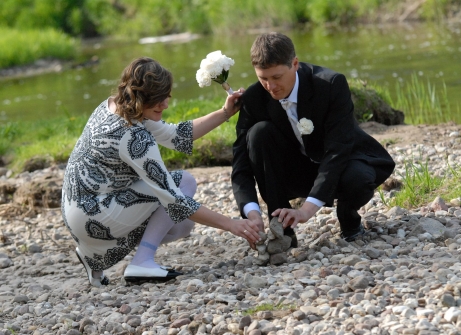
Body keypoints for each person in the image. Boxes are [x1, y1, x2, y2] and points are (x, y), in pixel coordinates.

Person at [62, 57, 260, 287]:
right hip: (93, 214)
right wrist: (232, 224)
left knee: (182, 225)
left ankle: (93, 257)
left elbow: (176, 136)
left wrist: (224, 113)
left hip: (78, 212)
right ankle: (142, 262)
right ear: (140, 98)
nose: (165, 104)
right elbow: (174, 200)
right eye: (158, 99)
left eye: (166, 96)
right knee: (183, 185)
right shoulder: (133, 135)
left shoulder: (117, 106)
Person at [231, 32, 395, 248]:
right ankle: (282, 229)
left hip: (341, 165)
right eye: (263, 79)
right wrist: (251, 213)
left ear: (295, 64)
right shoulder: (254, 98)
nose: (271, 87)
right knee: (258, 133)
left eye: (277, 77)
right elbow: (241, 165)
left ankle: (349, 221)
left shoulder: (330, 84)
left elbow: (339, 149)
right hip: (294, 171)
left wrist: (307, 210)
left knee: (359, 178)